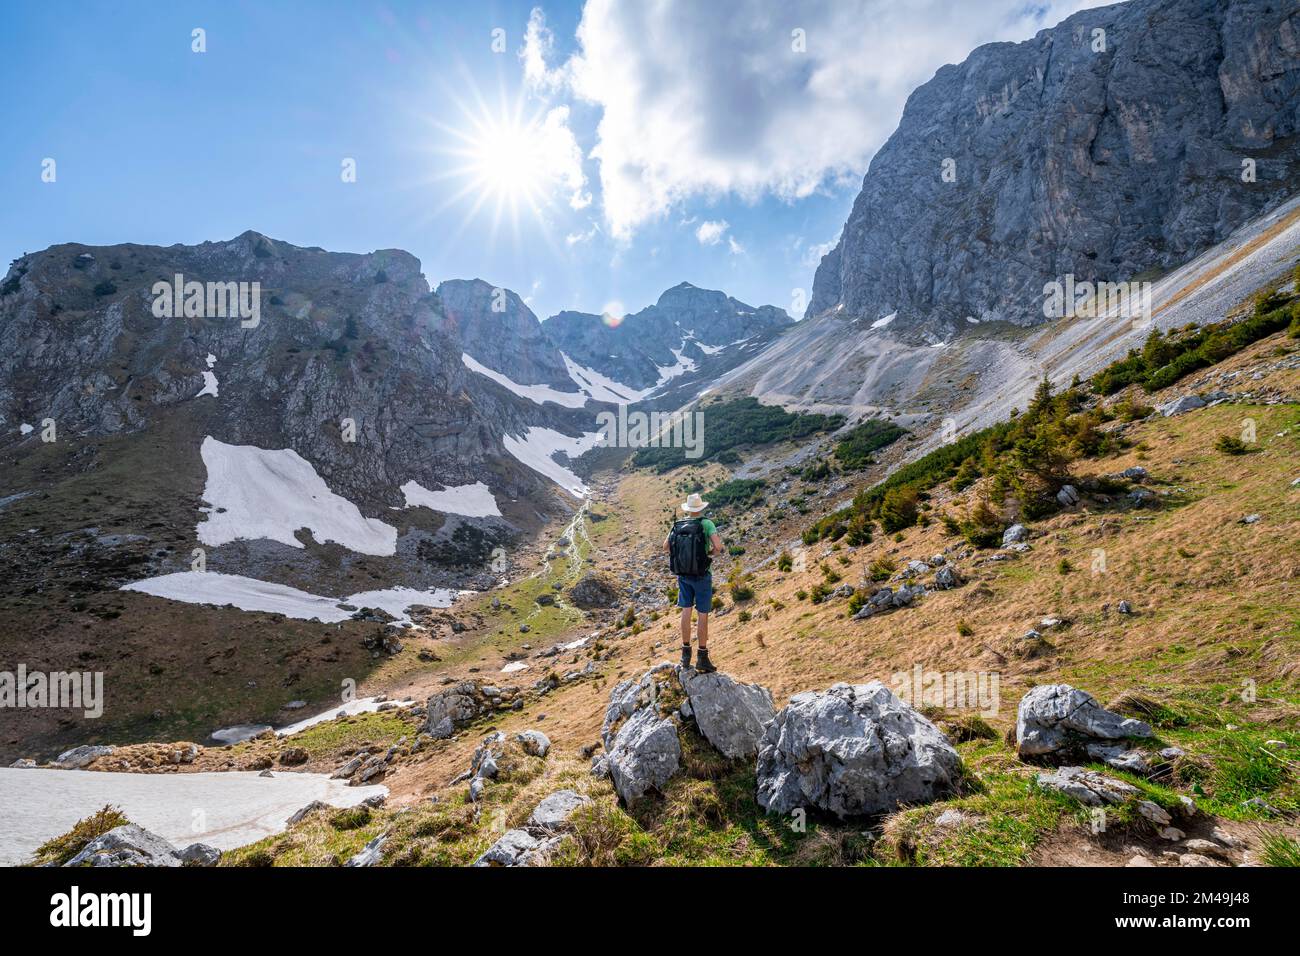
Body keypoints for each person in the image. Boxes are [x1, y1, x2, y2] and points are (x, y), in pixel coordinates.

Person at [664, 492, 724, 673]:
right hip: (702, 575)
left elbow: (665, 547)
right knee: (702, 615)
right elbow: (718, 547)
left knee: (686, 611)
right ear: (701, 508)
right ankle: (702, 657)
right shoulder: (706, 524)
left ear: (688, 509)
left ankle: (685, 654)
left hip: (683, 575)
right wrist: (711, 554)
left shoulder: (679, 524)